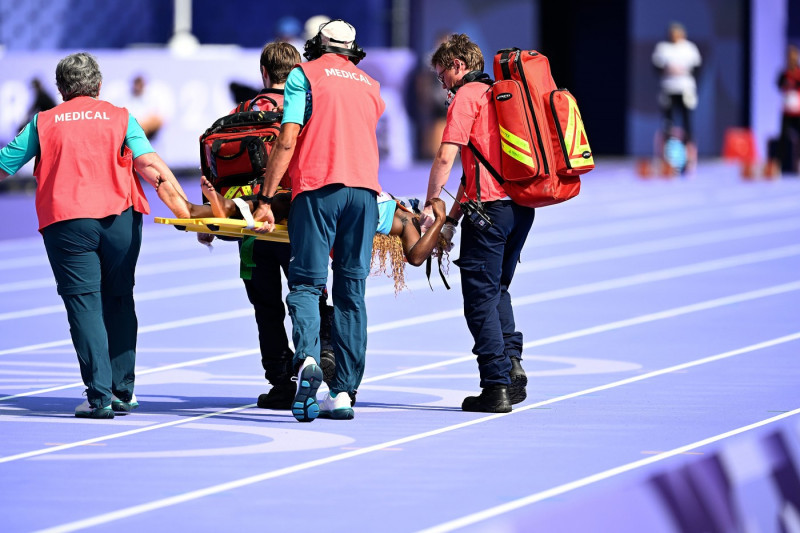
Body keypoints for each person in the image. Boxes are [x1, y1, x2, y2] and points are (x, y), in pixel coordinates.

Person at [0, 52, 195, 419]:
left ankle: (100, 396)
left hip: (67, 222)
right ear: (99, 85)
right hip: (120, 219)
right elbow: (151, 166)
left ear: (60, 89)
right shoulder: (121, 117)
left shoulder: (43, 122)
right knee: (120, 299)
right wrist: (186, 213)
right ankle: (123, 391)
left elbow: (5, 165)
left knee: (85, 305)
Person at [251, 19, 385, 422]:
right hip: (364, 192)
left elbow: (288, 137)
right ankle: (344, 391)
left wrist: (266, 198)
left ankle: (308, 361)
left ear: (317, 44)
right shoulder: (370, 84)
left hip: (317, 187)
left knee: (307, 283)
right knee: (351, 290)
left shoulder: (302, 76)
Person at [199, 41, 337, 411]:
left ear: (263, 74)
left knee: (266, 308)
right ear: (298, 73)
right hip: (296, 219)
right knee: (309, 295)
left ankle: (281, 383)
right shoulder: (305, 108)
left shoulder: (240, 111)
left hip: (248, 226)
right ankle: (325, 363)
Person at [419, 34, 536, 413]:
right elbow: (476, 170)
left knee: (479, 299)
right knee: (498, 288)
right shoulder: (497, 95)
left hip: (489, 210)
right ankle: (512, 364)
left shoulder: (466, 97)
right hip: (520, 206)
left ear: (458, 65)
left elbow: (446, 156)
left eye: (442, 76)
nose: (443, 85)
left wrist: (431, 204)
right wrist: (452, 220)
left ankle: (496, 385)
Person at [651, 22, 701, 164]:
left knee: (687, 122)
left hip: (685, 89)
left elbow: (697, 68)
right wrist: (668, 69)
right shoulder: (663, 48)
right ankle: (667, 156)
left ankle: (690, 156)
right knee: (668, 123)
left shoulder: (690, 48)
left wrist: (682, 70)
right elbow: (656, 66)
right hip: (668, 89)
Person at [770, 44, 800, 175]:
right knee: (782, 138)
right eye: (789, 57)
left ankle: (798, 162)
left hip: (798, 111)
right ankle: (778, 164)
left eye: (794, 56)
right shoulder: (784, 73)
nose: (791, 59)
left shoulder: (798, 73)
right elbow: (778, 84)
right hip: (786, 111)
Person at [125, 75, 164, 140]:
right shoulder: (126, 100)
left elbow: (159, 120)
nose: (138, 87)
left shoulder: (152, 99)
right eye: (136, 85)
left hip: (149, 138)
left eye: (141, 85)